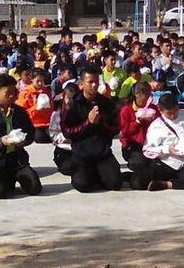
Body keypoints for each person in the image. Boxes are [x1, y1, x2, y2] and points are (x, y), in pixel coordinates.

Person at [0, 74, 42, 199]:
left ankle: (16, 176)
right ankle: (5, 180)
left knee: (35, 188)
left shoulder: (20, 112)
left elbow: (31, 132)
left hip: (17, 159)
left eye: (13, 92)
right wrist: (0, 141)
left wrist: (24, 141)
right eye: (7, 93)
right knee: (0, 193)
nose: (12, 96)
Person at [60, 64, 122, 193]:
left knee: (115, 183)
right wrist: (88, 123)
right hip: (82, 154)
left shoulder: (106, 103)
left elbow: (116, 128)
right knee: (82, 185)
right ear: (82, 84)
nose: (94, 85)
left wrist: (102, 122)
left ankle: (100, 173)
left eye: (96, 82)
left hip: (102, 153)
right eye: (90, 82)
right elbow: (67, 132)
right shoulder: (73, 104)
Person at [139, 93, 184, 191]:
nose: (173, 115)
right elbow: (147, 150)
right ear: (160, 110)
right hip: (166, 164)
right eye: (169, 113)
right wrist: (167, 149)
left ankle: (167, 184)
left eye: (175, 111)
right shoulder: (156, 126)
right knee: (138, 181)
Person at [118, 81, 159, 188]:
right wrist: (137, 122)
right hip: (133, 146)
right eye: (146, 94)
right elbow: (125, 132)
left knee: (158, 164)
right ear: (137, 94)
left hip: (150, 145)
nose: (149, 97)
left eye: (150, 94)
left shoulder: (153, 109)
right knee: (140, 162)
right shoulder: (126, 110)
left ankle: (136, 177)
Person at [16, 69, 53, 143]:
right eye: (38, 81)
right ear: (32, 79)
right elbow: (21, 112)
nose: (40, 83)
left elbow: (52, 108)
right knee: (41, 138)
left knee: (53, 137)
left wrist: (48, 109)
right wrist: (35, 108)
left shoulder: (46, 92)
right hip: (34, 124)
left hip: (47, 123)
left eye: (42, 81)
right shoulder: (26, 94)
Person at [48, 84, 78, 175]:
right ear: (63, 97)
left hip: (79, 147)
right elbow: (53, 135)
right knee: (69, 168)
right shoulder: (57, 114)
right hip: (64, 148)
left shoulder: (82, 112)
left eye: (74, 99)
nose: (71, 102)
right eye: (69, 98)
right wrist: (67, 137)